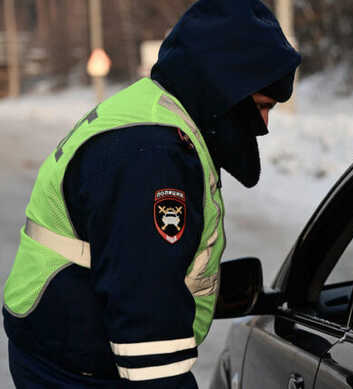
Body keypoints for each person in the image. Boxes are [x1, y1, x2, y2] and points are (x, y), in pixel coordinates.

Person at [2, 0, 301, 387]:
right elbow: (146, 316)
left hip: (64, 347)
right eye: (262, 106)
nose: (263, 125)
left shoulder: (151, 117)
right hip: (77, 368)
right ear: (224, 88)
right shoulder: (152, 155)